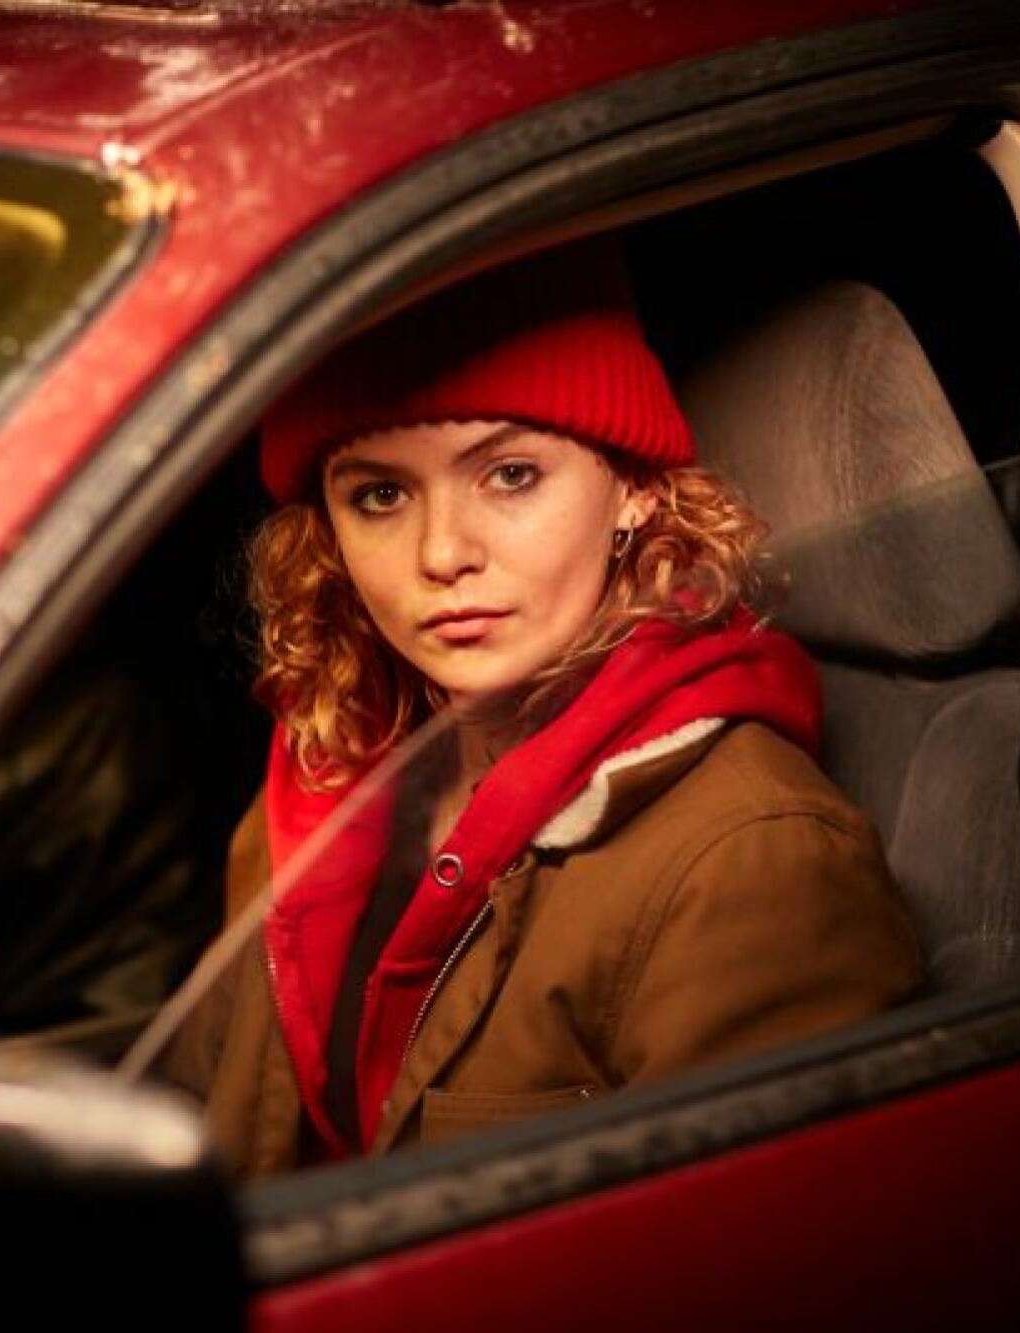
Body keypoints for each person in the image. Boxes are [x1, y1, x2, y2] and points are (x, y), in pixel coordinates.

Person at [158, 238, 922, 1177]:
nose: (442, 553)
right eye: (382, 493)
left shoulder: (753, 858)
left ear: (634, 486)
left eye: (509, 474)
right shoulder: (325, 776)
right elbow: (201, 1106)